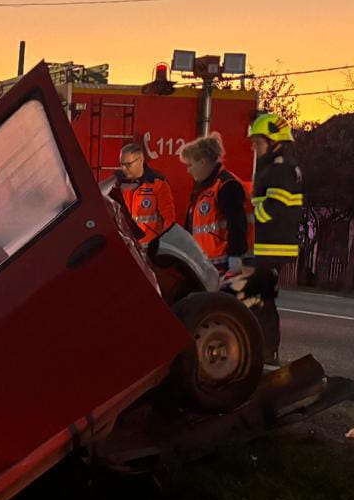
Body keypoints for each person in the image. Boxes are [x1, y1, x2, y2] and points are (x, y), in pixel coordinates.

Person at [247, 111, 303, 364]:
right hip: (267, 245)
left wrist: (247, 220)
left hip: (270, 245)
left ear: (275, 142)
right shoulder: (275, 168)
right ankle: (264, 351)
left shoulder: (280, 170)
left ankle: (268, 353)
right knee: (259, 300)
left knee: (262, 301)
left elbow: (274, 207)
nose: (254, 148)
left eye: (258, 143)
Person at [177, 133, 250, 272]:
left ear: (202, 162)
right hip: (207, 264)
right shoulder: (202, 190)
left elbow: (237, 223)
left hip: (223, 264)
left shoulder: (226, 186)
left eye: (190, 165)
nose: (188, 170)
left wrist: (235, 256)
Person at [111, 142, 177, 250]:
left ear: (140, 160)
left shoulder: (158, 183)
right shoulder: (117, 184)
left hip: (150, 248)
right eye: (121, 164)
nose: (123, 168)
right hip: (127, 248)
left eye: (128, 164)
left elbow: (169, 219)